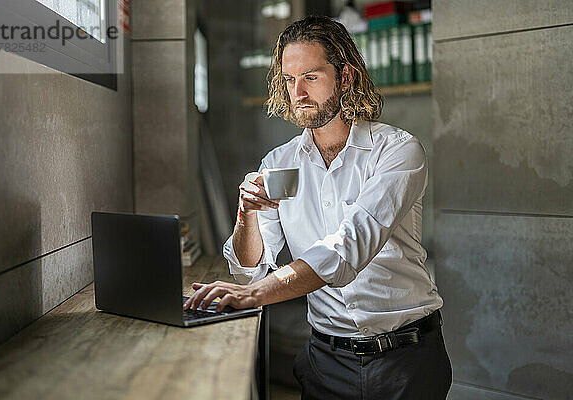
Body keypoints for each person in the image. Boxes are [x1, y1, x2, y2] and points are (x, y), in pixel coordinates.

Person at [184, 16, 452, 399]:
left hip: (405, 361)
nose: (298, 92)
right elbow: (249, 270)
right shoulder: (277, 163)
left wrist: (255, 295)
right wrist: (247, 215)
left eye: (311, 77)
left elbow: (348, 248)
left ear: (345, 77)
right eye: (290, 80)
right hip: (325, 363)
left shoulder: (398, 151)